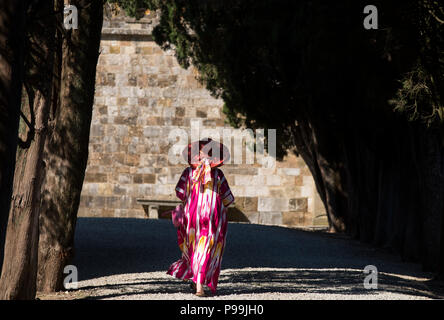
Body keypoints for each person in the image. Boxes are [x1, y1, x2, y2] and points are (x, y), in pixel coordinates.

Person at [166, 139, 234, 296]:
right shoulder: (218, 175)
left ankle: (198, 283)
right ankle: (200, 284)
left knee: (195, 247)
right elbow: (228, 200)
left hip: (192, 218)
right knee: (207, 249)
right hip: (213, 218)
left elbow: (180, 193)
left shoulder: (188, 173)